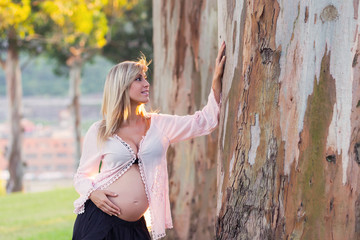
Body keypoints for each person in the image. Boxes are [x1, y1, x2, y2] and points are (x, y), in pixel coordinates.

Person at [72, 42, 226, 240]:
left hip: (135, 228)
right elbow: (82, 176)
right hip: (99, 221)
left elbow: (205, 122)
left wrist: (216, 82)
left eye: (145, 78)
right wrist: (93, 193)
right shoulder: (101, 130)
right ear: (121, 86)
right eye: (138, 79)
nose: (146, 84)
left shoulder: (160, 125)